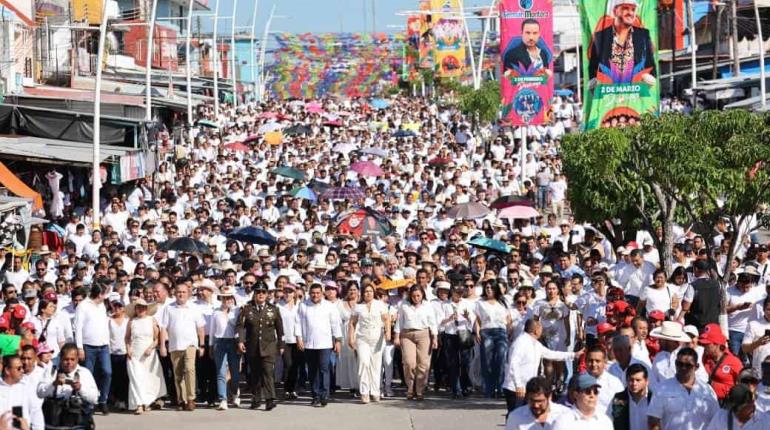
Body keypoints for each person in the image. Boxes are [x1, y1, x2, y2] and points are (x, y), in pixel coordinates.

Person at [503, 319, 583, 412]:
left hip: (526, 388)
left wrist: (574, 355)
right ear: (536, 330)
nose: (542, 331)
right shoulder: (520, 343)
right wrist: (518, 385)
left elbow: (551, 354)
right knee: (514, 416)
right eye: (541, 328)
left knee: (525, 417)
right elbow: (513, 364)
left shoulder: (536, 344)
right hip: (515, 389)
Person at [236, 280, 284, 411]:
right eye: (258, 292)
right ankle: (256, 398)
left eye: (263, 292)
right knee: (255, 374)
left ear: (267, 294)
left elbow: (280, 329)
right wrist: (240, 341)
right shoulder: (247, 309)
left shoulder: (273, 309)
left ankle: (270, 399)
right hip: (252, 347)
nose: (261, 294)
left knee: (268, 372)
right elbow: (240, 326)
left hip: (268, 346)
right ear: (254, 293)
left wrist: (281, 345)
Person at [586, 0, 656, 87]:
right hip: (609, 94)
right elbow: (593, 69)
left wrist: (649, 80)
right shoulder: (600, 37)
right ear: (615, 11)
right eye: (625, 8)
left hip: (636, 95)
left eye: (633, 10)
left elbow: (651, 67)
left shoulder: (643, 35)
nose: (630, 13)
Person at [158, 283, 205, 411]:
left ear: (188, 293)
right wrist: (162, 346)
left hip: (190, 344)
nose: (181, 294)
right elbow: (163, 328)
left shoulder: (194, 308)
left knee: (190, 369)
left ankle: (191, 398)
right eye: (179, 292)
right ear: (174, 293)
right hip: (175, 345)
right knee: (178, 374)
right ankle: (182, 399)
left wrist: (202, 345)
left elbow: (200, 328)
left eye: (184, 292)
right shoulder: (168, 308)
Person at [647, 347, 719, 430]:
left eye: (688, 365)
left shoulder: (707, 390)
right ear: (675, 363)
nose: (683, 368)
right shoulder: (662, 388)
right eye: (680, 364)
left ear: (696, 367)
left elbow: (716, 420)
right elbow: (653, 420)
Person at [295, 283, 342, 407]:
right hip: (309, 343)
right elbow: (298, 323)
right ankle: (315, 395)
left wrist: (337, 340)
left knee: (324, 368)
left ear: (322, 293)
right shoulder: (303, 305)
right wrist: (299, 338)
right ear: (309, 293)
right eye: (313, 293)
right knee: (312, 370)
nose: (315, 295)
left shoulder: (329, 306)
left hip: (325, 343)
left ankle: (324, 394)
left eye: (318, 293)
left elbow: (335, 324)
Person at [38, 343, 99, 429]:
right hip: (53, 425)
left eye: (72, 359)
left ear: (77, 359)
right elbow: (39, 392)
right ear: (60, 359)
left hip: (77, 425)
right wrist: (54, 384)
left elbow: (94, 398)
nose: (69, 362)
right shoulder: (51, 371)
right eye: (66, 359)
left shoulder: (84, 373)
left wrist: (80, 388)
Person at [394, 285, 438, 401]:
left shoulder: (427, 305)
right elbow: (399, 321)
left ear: (422, 295)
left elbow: (432, 321)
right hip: (407, 334)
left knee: (423, 363)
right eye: (413, 296)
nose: (416, 298)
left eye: (418, 295)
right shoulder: (403, 305)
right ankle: (410, 387)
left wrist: (435, 337)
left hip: (424, 333)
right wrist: (396, 337)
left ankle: (420, 389)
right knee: (409, 362)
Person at [72, 284, 111, 415]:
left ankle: (103, 400)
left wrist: (108, 342)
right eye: (104, 293)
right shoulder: (83, 306)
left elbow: (104, 325)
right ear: (99, 294)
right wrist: (79, 347)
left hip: (104, 345)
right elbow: (78, 328)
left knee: (107, 372)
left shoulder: (102, 306)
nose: (105, 296)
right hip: (88, 346)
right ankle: (90, 402)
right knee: (89, 375)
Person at [348, 283, 390, 403]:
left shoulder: (379, 304)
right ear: (362, 293)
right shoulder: (358, 306)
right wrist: (350, 338)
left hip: (377, 338)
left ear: (374, 292)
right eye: (366, 291)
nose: (368, 293)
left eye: (370, 291)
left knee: (376, 365)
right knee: (363, 363)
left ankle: (375, 391)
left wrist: (388, 333)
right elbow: (352, 323)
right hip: (362, 339)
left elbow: (387, 319)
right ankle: (364, 392)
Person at [125, 297, 165, 415]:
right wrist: (128, 348)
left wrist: (151, 347)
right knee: (136, 378)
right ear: (135, 309)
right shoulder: (132, 321)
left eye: (143, 307)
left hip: (148, 353)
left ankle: (146, 401)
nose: (140, 309)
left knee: (148, 379)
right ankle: (138, 404)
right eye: (138, 307)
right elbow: (127, 337)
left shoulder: (151, 320)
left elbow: (157, 338)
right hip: (135, 353)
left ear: (146, 309)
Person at [474, 278, 511, 398]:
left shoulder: (503, 302)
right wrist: (477, 333)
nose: (489, 289)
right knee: (488, 362)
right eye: (487, 287)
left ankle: (500, 388)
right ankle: (489, 390)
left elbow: (508, 319)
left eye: (491, 287)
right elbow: (478, 320)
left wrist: (508, 332)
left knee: (500, 360)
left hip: (501, 332)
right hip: (487, 331)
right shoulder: (480, 303)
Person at [209, 285, 240, 410]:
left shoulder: (236, 310)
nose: (226, 300)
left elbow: (237, 326)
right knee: (221, 372)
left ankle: (235, 394)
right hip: (219, 342)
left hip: (233, 341)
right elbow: (212, 330)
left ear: (232, 298)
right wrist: (211, 346)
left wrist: (229, 312)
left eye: (228, 298)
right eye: (223, 298)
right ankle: (223, 399)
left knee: (234, 371)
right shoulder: (216, 311)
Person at [699, 323, 742, 402]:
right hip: (709, 400)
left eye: (707, 344)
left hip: (727, 403)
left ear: (717, 344)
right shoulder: (705, 357)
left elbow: (741, 387)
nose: (704, 347)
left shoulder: (734, 362)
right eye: (703, 344)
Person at [505, 376, 569, 429]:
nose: (536, 405)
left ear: (549, 397)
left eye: (540, 401)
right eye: (532, 400)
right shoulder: (515, 417)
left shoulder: (565, 414)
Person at [705, 383, 770, 430]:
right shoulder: (721, 415)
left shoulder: (765, 421)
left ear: (751, 403)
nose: (735, 412)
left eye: (739, 409)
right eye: (733, 408)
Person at [584, 345, 624, 415]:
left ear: (604, 362)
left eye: (597, 361)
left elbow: (621, 409)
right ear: (585, 362)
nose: (594, 364)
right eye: (590, 360)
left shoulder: (614, 383)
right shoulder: (578, 381)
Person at [277, 283, 300, 400]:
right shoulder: (278, 306)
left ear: (294, 293)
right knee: (288, 364)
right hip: (284, 339)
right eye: (285, 291)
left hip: (297, 339)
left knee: (295, 365)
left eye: (290, 291)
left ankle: (293, 389)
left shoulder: (299, 306)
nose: (287, 294)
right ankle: (287, 389)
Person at [611, 363, 652, 430]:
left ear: (646, 381)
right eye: (631, 380)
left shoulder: (654, 398)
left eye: (638, 380)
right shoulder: (619, 398)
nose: (634, 383)